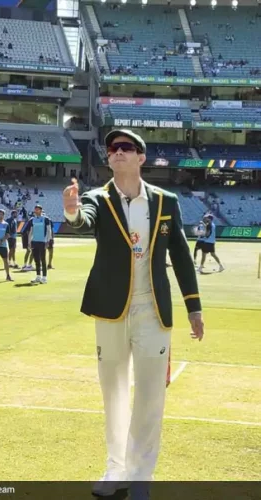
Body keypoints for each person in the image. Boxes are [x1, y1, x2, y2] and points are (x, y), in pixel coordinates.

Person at [63, 129, 204, 498]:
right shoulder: (97, 198)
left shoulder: (165, 201)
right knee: (113, 391)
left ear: (141, 157)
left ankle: (141, 475)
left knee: (150, 393)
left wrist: (194, 306)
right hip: (110, 308)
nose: (118, 152)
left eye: (126, 147)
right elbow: (83, 220)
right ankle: (116, 469)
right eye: (113, 148)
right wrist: (72, 210)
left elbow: (181, 255)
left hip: (152, 309)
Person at [26, 204, 52, 284]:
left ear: (41, 210)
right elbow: (31, 231)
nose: (36, 211)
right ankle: (38, 276)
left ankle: (44, 277)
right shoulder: (32, 220)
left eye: (37, 209)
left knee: (43, 259)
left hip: (42, 242)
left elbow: (49, 230)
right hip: (34, 241)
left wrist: (48, 241)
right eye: (35, 209)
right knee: (36, 260)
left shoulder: (45, 219)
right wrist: (29, 242)